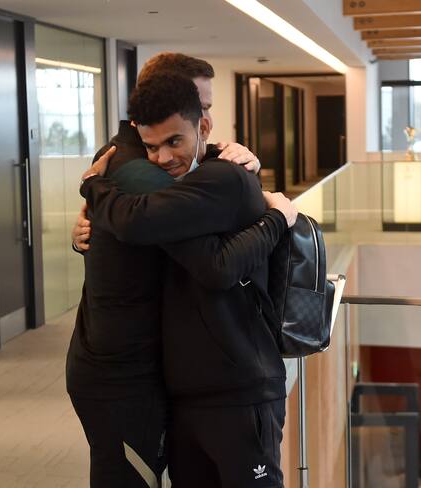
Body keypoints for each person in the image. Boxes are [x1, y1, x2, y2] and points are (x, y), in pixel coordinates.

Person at [80, 72, 296, 488]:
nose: (162, 158)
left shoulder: (222, 179)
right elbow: (135, 226)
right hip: (189, 395)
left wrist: (93, 188)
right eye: (151, 146)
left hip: (241, 388)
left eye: (173, 142)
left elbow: (216, 268)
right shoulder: (174, 193)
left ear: (204, 126)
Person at [72, 52, 260, 254]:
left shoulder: (145, 151)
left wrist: (246, 165)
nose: (208, 120)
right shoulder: (137, 168)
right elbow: (218, 260)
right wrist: (276, 217)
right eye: (197, 106)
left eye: (206, 108)